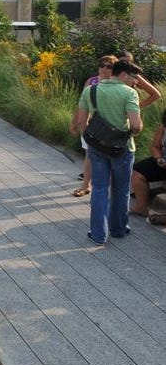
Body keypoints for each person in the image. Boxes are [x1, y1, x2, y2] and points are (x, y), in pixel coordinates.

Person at [71, 59, 143, 245]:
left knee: (99, 188)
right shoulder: (129, 93)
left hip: (97, 148)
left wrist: (91, 140)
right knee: (121, 190)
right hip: (122, 149)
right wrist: (135, 130)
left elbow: (81, 122)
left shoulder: (90, 90)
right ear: (123, 75)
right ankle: (118, 229)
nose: (136, 81)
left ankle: (98, 234)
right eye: (134, 77)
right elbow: (135, 126)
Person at [73, 55, 116, 198]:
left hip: (112, 127)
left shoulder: (119, 85)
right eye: (102, 65)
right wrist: (76, 122)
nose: (104, 69)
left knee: (109, 157)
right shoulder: (91, 82)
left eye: (109, 66)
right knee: (89, 154)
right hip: (92, 125)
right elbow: (82, 104)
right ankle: (86, 185)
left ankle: (107, 188)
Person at [131, 107, 166, 221]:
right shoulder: (163, 128)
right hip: (163, 161)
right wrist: (158, 158)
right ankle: (141, 207)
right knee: (137, 172)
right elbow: (155, 147)